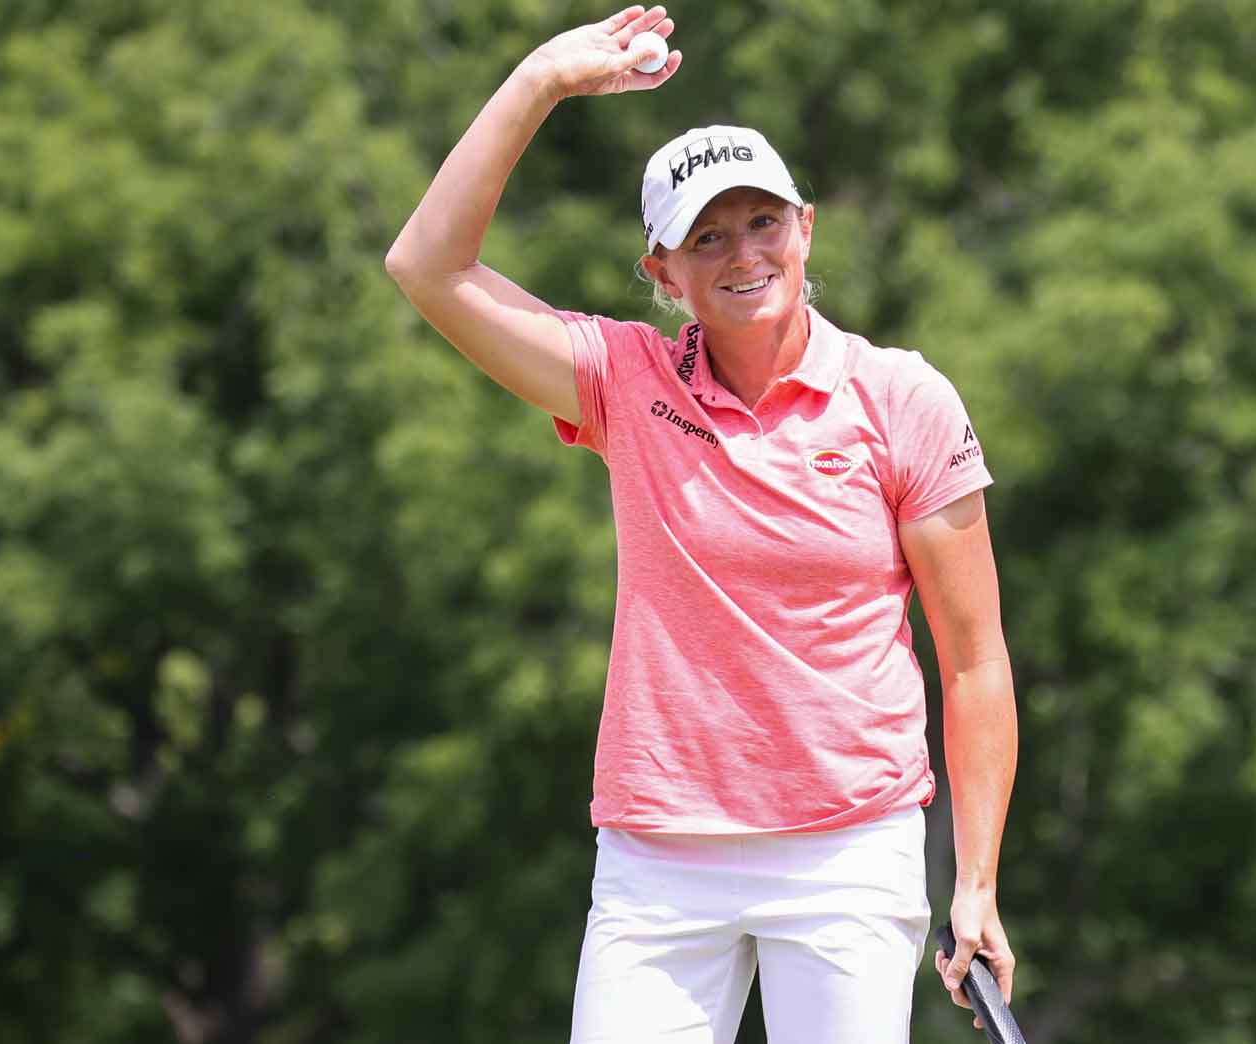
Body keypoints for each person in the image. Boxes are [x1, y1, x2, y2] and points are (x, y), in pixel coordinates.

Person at [384, 7, 1017, 1041]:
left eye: (762, 221)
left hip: (846, 849)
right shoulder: (622, 382)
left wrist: (977, 883)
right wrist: (540, 77)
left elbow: (973, 662)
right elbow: (427, 267)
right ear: (661, 275)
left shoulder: (900, 399)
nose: (742, 253)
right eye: (705, 236)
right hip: (657, 854)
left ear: (804, 228)